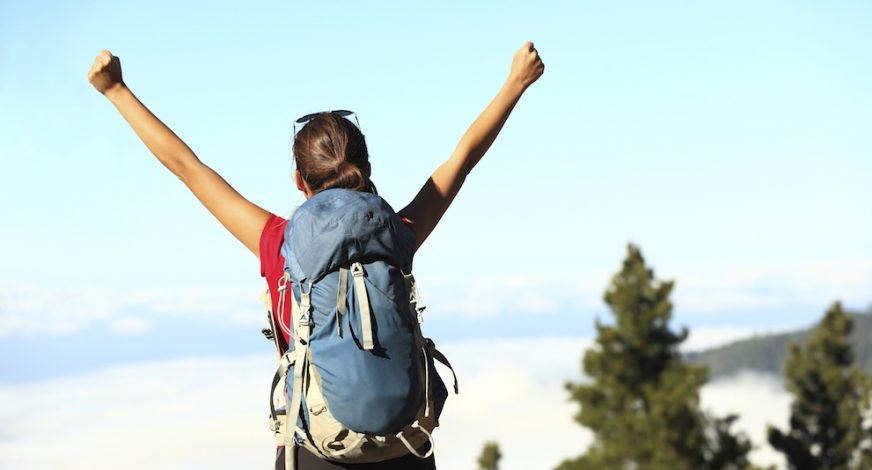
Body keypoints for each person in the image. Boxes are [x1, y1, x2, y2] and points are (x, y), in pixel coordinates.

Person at [88, 41, 544, 469]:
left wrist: (117, 91)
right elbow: (461, 160)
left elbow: (188, 168)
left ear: (298, 181)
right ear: (366, 170)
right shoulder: (397, 235)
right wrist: (516, 83)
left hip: (315, 451)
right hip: (405, 447)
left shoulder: (277, 241)